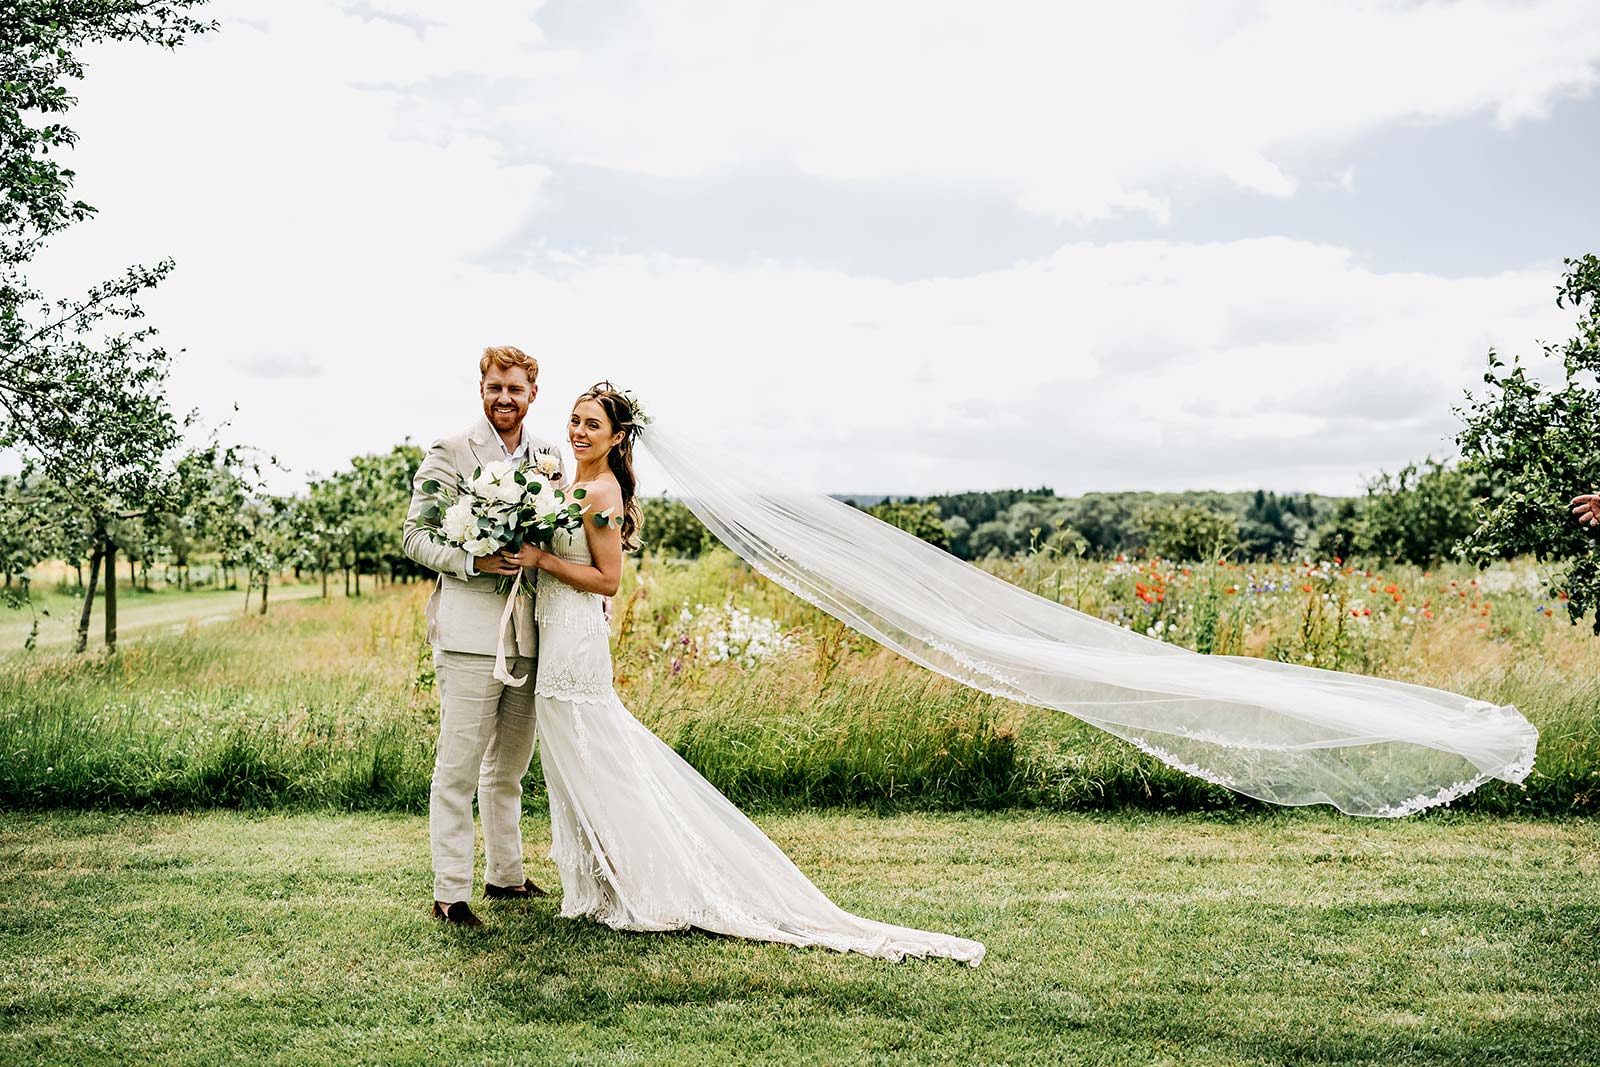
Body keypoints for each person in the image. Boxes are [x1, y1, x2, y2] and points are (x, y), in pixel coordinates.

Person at [504, 382, 985, 965]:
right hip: (554, 635)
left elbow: (608, 581)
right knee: (573, 762)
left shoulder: (603, 493)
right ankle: (601, 884)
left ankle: (646, 882)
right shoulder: (567, 485)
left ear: (617, 437)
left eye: (591, 425)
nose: (578, 432)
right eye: (574, 421)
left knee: (601, 759)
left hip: (576, 645)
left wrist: (542, 559)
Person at [401, 345, 567, 927]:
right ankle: (450, 893)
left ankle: (507, 875)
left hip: (530, 634)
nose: (505, 398)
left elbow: (557, 539)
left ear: (532, 395)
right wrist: (474, 561)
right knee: (459, 768)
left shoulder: (550, 457)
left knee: (510, 768)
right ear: (482, 389)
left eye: (515, 389)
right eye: (496, 387)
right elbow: (414, 538)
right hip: (470, 632)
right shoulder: (449, 451)